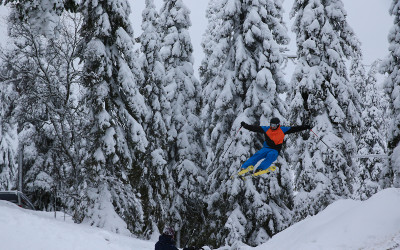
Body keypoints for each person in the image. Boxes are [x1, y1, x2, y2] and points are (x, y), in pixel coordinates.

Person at [240, 117, 311, 176]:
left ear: (278, 125)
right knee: (258, 155)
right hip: (266, 148)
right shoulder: (267, 129)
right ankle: (245, 167)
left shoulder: (283, 130)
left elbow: (295, 129)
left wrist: (305, 127)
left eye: (274, 125)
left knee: (271, 155)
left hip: (275, 150)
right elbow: (254, 128)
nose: (272, 127)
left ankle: (260, 169)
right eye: (271, 125)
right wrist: (245, 125)